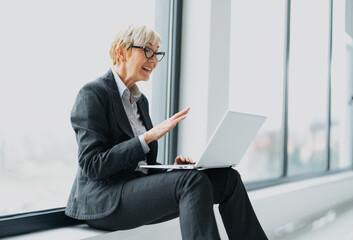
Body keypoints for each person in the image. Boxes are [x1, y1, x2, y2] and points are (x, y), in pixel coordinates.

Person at [65, 24, 268, 240]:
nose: (153, 60)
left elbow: (142, 166)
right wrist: (147, 137)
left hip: (132, 191)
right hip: (104, 201)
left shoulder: (140, 101)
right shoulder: (92, 93)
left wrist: (171, 172)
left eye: (157, 53)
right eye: (147, 51)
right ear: (121, 52)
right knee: (191, 182)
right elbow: (91, 165)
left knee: (228, 178)